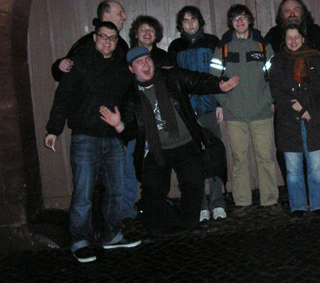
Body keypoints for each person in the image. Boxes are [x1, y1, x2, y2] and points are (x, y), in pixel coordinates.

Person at [100, 47, 239, 233]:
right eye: (139, 62)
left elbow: (196, 80)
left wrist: (218, 86)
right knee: (152, 190)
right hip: (158, 149)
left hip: (186, 143)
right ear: (131, 69)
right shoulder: (131, 96)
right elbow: (131, 133)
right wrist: (118, 125)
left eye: (147, 59)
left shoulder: (171, 77)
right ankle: (167, 226)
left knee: (193, 184)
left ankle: (189, 225)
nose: (145, 65)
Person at [44, 19, 140, 263]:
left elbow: (130, 98)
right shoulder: (80, 63)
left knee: (116, 190)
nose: (107, 41)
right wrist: (54, 129)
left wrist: (122, 126)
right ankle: (80, 240)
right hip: (85, 137)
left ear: (116, 41)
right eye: (103, 36)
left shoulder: (121, 66)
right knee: (83, 192)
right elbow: (63, 97)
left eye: (112, 37)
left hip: (112, 137)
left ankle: (111, 234)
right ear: (95, 38)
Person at [210, 4, 281, 217]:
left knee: (265, 158)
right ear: (231, 23)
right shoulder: (223, 48)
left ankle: (270, 200)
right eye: (235, 18)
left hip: (261, 113)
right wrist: (227, 104)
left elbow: (275, 77)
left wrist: (267, 100)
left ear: (250, 20)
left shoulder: (263, 46)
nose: (240, 21)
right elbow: (213, 81)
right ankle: (242, 201)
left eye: (243, 17)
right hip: (235, 116)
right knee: (239, 160)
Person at [265, 0, 320, 182]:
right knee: (288, 153)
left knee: (315, 148)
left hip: (312, 102)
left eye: (296, 9)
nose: (292, 14)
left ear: (303, 11)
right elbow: (267, 71)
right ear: (281, 15)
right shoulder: (273, 35)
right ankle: (296, 192)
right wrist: (273, 99)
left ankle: (316, 192)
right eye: (287, 11)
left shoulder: (316, 32)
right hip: (285, 105)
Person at [168, 6, 227, 222]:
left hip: (211, 108)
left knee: (215, 156)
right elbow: (173, 80)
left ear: (199, 21)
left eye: (193, 19)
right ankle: (200, 205)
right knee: (194, 161)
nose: (190, 24)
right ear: (180, 25)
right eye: (185, 20)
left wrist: (220, 102)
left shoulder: (212, 42)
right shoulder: (176, 47)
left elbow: (221, 72)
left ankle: (218, 203)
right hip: (188, 113)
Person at [269, 23, 320, 219]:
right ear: (284, 40)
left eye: (296, 37)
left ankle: (318, 204)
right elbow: (276, 90)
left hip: (313, 119)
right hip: (289, 122)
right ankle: (298, 206)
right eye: (289, 37)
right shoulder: (277, 61)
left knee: (316, 168)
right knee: (293, 169)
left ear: (303, 38)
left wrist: (304, 106)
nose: (293, 41)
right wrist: (296, 107)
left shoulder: (315, 57)